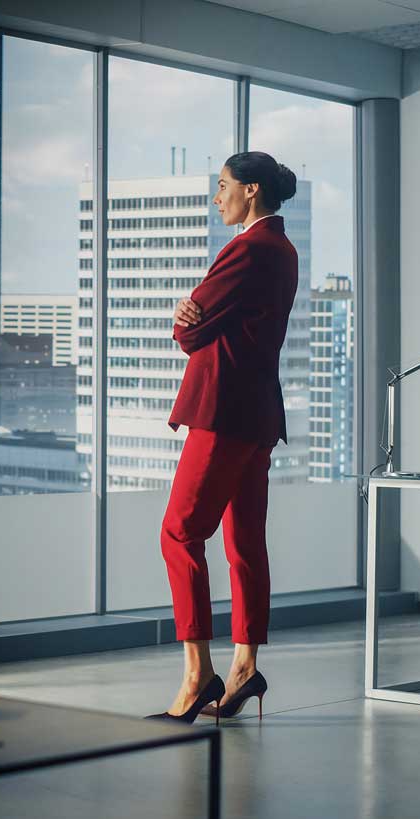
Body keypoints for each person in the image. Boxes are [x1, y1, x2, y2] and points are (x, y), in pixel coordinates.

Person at [146, 151, 299, 724]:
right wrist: (198, 318)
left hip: (224, 412)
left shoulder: (248, 248)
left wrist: (186, 318)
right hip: (257, 415)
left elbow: (189, 332)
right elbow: (208, 320)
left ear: (251, 191)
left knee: (179, 534)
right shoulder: (283, 250)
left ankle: (197, 675)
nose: (217, 197)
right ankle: (243, 667)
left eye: (223, 186)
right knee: (244, 542)